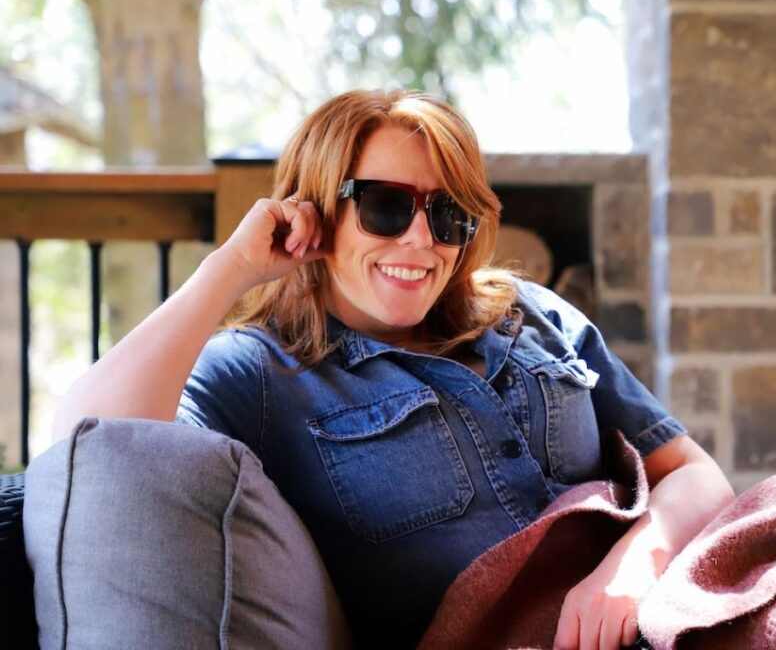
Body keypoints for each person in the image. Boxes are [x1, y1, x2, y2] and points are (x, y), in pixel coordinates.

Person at [52, 90, 735, 649]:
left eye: (448, 214)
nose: (421, 238)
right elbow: (87, 443)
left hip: (676, 603)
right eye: (386, 206)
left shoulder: (528, 312)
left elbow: (693, 472)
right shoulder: (260, 372)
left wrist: (632, 567)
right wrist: (228, 269)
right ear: (317, 211)